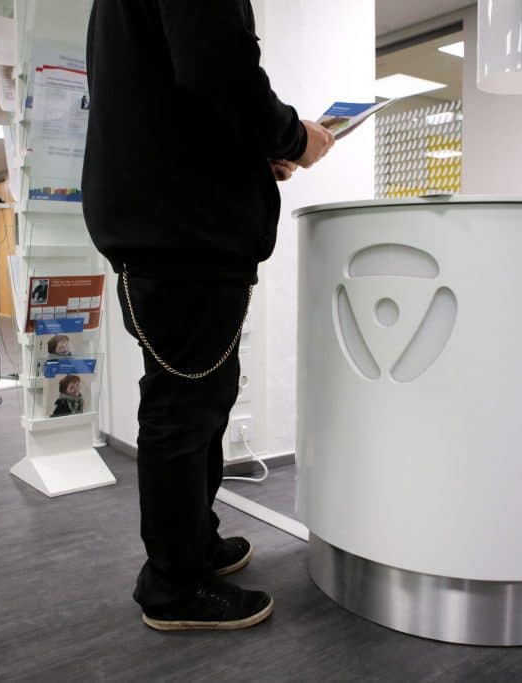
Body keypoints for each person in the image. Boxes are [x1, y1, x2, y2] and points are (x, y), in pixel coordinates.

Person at [83, 0, 334, 631]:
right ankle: (172, 587)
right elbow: (218, 69)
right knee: (182, 410)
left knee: (204, 402)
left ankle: (193, 546)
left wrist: (253, 151)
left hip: (173, 224)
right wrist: (296, 137)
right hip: (181, 232)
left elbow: (189, 93)